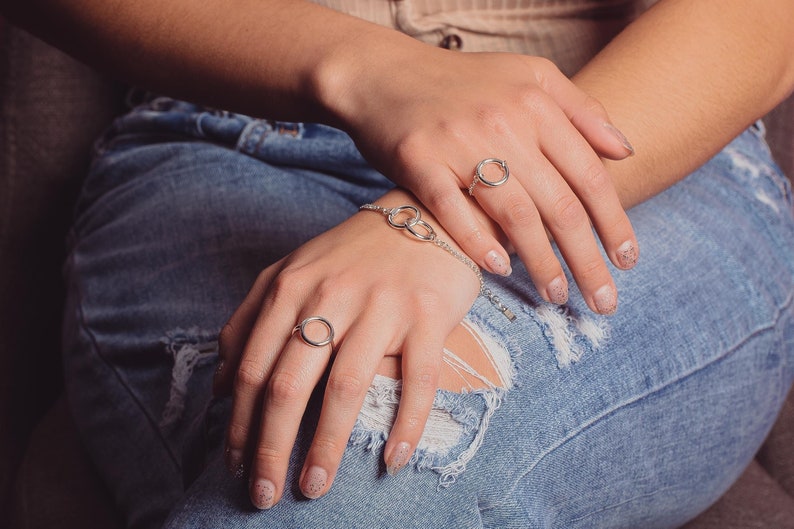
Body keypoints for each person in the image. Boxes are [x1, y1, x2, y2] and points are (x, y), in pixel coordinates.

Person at [4, 0, 794, 527]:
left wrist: (440, 217)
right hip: (231, 141)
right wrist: (365, 69)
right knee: (301, 446)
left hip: (632, 148)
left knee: (369, 433)